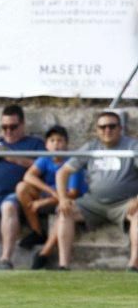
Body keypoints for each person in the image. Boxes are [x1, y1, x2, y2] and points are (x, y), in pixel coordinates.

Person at [55, 112, 138, 271]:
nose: (107, 130)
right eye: (103, 127)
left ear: (120, 128)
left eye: (112, 126)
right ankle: (63, 265)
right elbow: (62, 172)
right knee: (64, 211)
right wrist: (63, 198)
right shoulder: (90, 147)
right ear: (97, 130)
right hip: (93, 203)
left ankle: (134, 265)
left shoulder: (132, 146)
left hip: (125, 203)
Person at [15, 126, 86, 268]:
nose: (56, 144)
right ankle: (37, 231)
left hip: (70, 200)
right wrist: (52, 192)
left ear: (66, 144)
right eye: (52, 140)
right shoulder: (45, 159)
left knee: (64, 208)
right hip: (54, 196)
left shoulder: (72, 162)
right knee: (22, 187)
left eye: (60, 140)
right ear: (47, 144)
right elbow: (28, 176)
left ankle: (44, 253)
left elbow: (73, 193)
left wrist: (45, 201)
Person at [0, 105, 45, 269]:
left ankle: (5, 259)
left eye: (13, 127)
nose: (8, 131)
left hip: (15, 194)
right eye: (4, 127)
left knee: (8, 207)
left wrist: (12, 157)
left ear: (23, 125)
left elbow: (45, 166)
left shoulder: (35, 144)